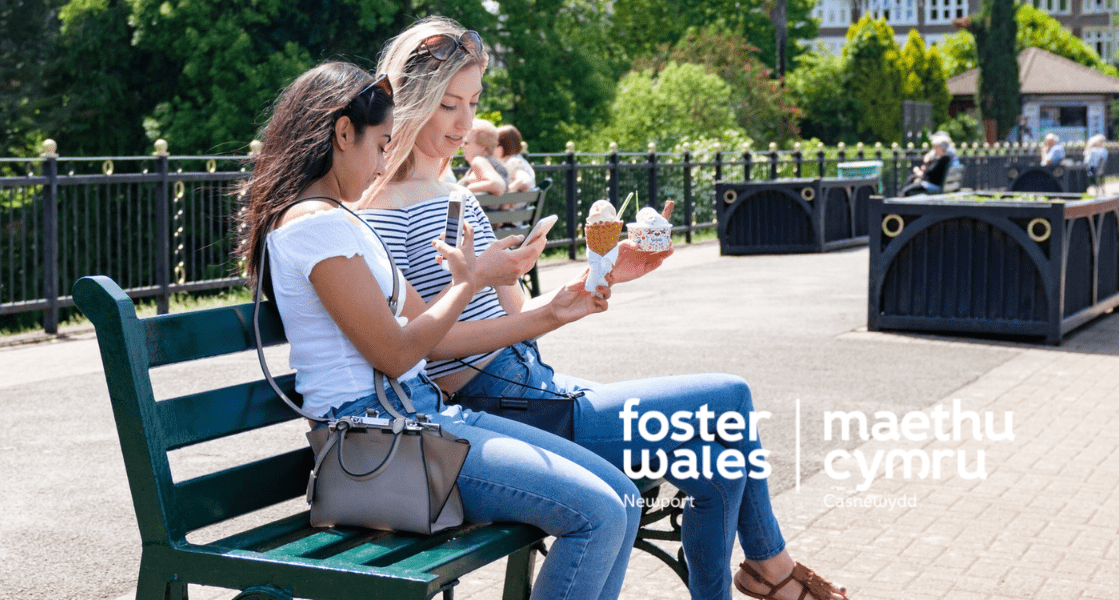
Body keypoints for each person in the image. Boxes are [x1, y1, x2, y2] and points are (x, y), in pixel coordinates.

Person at [358, 17, 849, 600]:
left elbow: (515, 312)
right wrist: (532, 308)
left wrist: (607, 274)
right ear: (411, 101)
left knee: (718, 468)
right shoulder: (380, 211)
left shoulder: (457, 194)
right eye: (448, 105)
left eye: (473, 102)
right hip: (499, 410)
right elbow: (427, 345)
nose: (465, 123)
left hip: (535, 389)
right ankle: (775, 572)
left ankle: (752, 581)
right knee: (732, 398)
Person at [235, 61, 642, 600]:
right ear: (342, 132)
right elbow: (395, 352)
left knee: (622, 497)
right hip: (376, 440)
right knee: (597, 513)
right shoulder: (315, 227)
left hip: (418, 421)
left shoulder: (346, 221)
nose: (384, 160)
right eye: (381, 143)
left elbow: (436, 340)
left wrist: (552, 313)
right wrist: (469, 283)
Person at [458, 118, 508, 195]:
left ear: (482, 146)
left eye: (466, 142)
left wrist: (464, 190)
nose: (461, 146)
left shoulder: (479, 161)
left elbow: (498, 185)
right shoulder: (495, 163)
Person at [497, 124, 537, 193]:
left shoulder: (514, 162)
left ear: (501, 146)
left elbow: (525, 181)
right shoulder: (520, 160)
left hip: (512, 202)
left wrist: (506, 192)